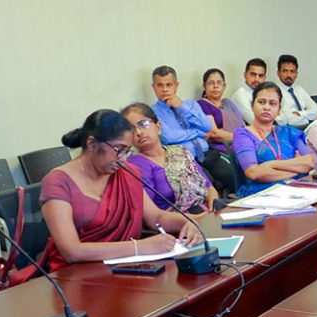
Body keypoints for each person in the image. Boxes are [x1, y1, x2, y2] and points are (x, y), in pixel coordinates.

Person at [16, 109, 202, 280]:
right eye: (118, 150)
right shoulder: (58, 181)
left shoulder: (126, 172)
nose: (122, 159)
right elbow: (71, 251)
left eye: (127, 152)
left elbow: (155, 217)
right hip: (76, 277)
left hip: (125, 268)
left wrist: (187, 222)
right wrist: (138, 248)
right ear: (91, 143)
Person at [150, 65, 237, 193]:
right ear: (153, 87)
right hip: (186, 162)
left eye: (169, 85)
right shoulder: (154, 112)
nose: (165, 89)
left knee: (236, 180)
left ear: (176, 85)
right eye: (160, 85)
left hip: (208, 155)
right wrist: (197, 132)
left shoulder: (190, 105)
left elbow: (207, 126)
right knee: (211, 189)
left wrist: (181, 107)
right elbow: (168, 137)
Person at [121, 103, 219, 214]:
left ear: (158, 127)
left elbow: (208, 187)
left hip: (208, 212)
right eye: (131, 129)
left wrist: (213, 205)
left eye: (143, 124)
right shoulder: (136, 165)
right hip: (178, 223)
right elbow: (150, 213)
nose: (138, 132)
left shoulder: (180, 151)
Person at [233, 82, 315, 197]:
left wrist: (270, 165)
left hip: (297, 189)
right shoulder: (243, 134)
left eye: (272, 103)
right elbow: (253, 172)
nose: (266, 107)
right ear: (252, 105)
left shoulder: (289, 132)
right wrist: (297, 169)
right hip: (261, 193)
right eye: (261, 102)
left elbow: (309, 162)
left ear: (279, 109)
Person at [197, 68, 246, 152]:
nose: (215, 86)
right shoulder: (202, 105)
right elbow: (214, 133)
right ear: (204, 87)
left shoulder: (229, 103)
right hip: (220, 148)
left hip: (240, 142)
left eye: (219, 82)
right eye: (211, 83)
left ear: (224, 86)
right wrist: (241, 137)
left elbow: (242, 126)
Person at [275, 54, 317, 129]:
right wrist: (308, 115)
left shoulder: (300, 90)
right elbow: (289, 120)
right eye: (285, 71)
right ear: (278, 73)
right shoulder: (274, 91)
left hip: (308, 128)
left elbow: (316, 111)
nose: (289, 75)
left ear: (296, 74)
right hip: (288, 130)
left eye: (292, 71)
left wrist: (300, 113)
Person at [231, 58, 267, 124]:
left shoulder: (266, 95)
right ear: (245, 75)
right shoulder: (240, 95)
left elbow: (284, 118)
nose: (257, 79)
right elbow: (255, 121)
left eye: (260, 76)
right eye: (253, 74)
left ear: (265, 78)